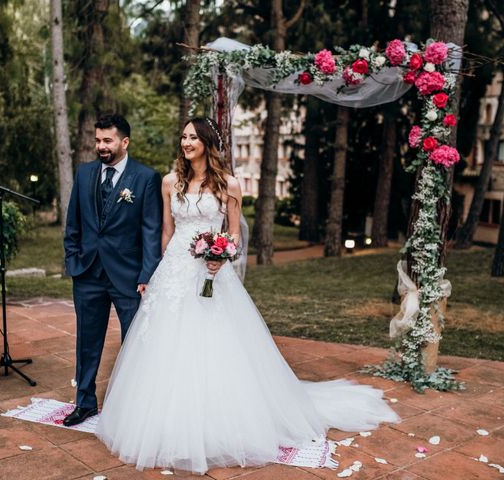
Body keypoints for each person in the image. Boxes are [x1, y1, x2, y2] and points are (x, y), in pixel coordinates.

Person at [94, 117, 400, 475]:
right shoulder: (169, 182)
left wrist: (220, 257)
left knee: (214, 346)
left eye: (193, 137)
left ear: (208, 142)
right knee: (162, 344)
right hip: (174, 272)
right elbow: (166, 230)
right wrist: (159, 273)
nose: (186, 142)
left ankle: (217, 423)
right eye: (183, 137)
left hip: (209, 273)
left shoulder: (229, 184)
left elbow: (235, 236)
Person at [63, 114, 163, 427]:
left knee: (134, 342)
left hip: (128, 276)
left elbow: (151, 231)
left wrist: (147, 275)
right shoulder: (85, 173)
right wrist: (73, 260)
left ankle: (134, 406)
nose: (101, 146)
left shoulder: (145, 177)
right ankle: (85, 403)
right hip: (88, 272)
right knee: (86, 340)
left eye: (107, 141)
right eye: (98, 140)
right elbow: (73, 222)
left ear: (124, 142)